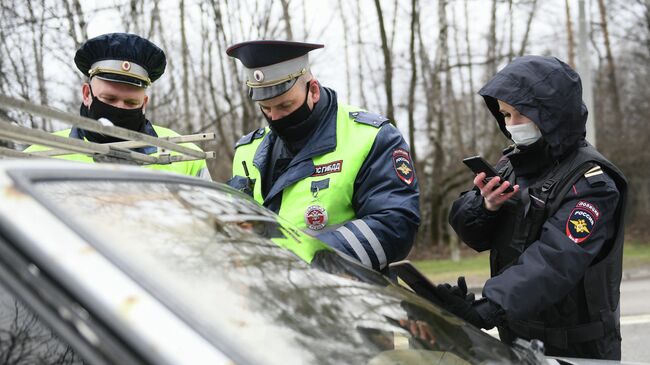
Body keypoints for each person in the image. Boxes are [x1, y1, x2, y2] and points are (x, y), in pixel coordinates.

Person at [438, 56, 627, 360]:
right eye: (505, 115)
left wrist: (489, 307)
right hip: (517, 339)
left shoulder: (593, 183)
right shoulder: (514, 164)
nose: (511, 126)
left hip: (574, 348)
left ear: (550, 114)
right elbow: (471, 232)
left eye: (519, 114)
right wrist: (486, 206)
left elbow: (556, 259)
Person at [225, 40, 420, 272]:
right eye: (266, 109)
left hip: (345, 296)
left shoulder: (371, 137)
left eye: (285, 106)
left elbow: (394, 225)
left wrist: (303, 258)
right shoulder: (247, 149)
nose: (275, 118)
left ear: (313, 91)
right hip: (268, 297)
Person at [25, 33, 211, 180]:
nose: (119, 108)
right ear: (87, 94)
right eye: (109, 99)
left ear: (144, 104)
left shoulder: (185, 154)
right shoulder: (39, 156)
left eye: (131, 102)